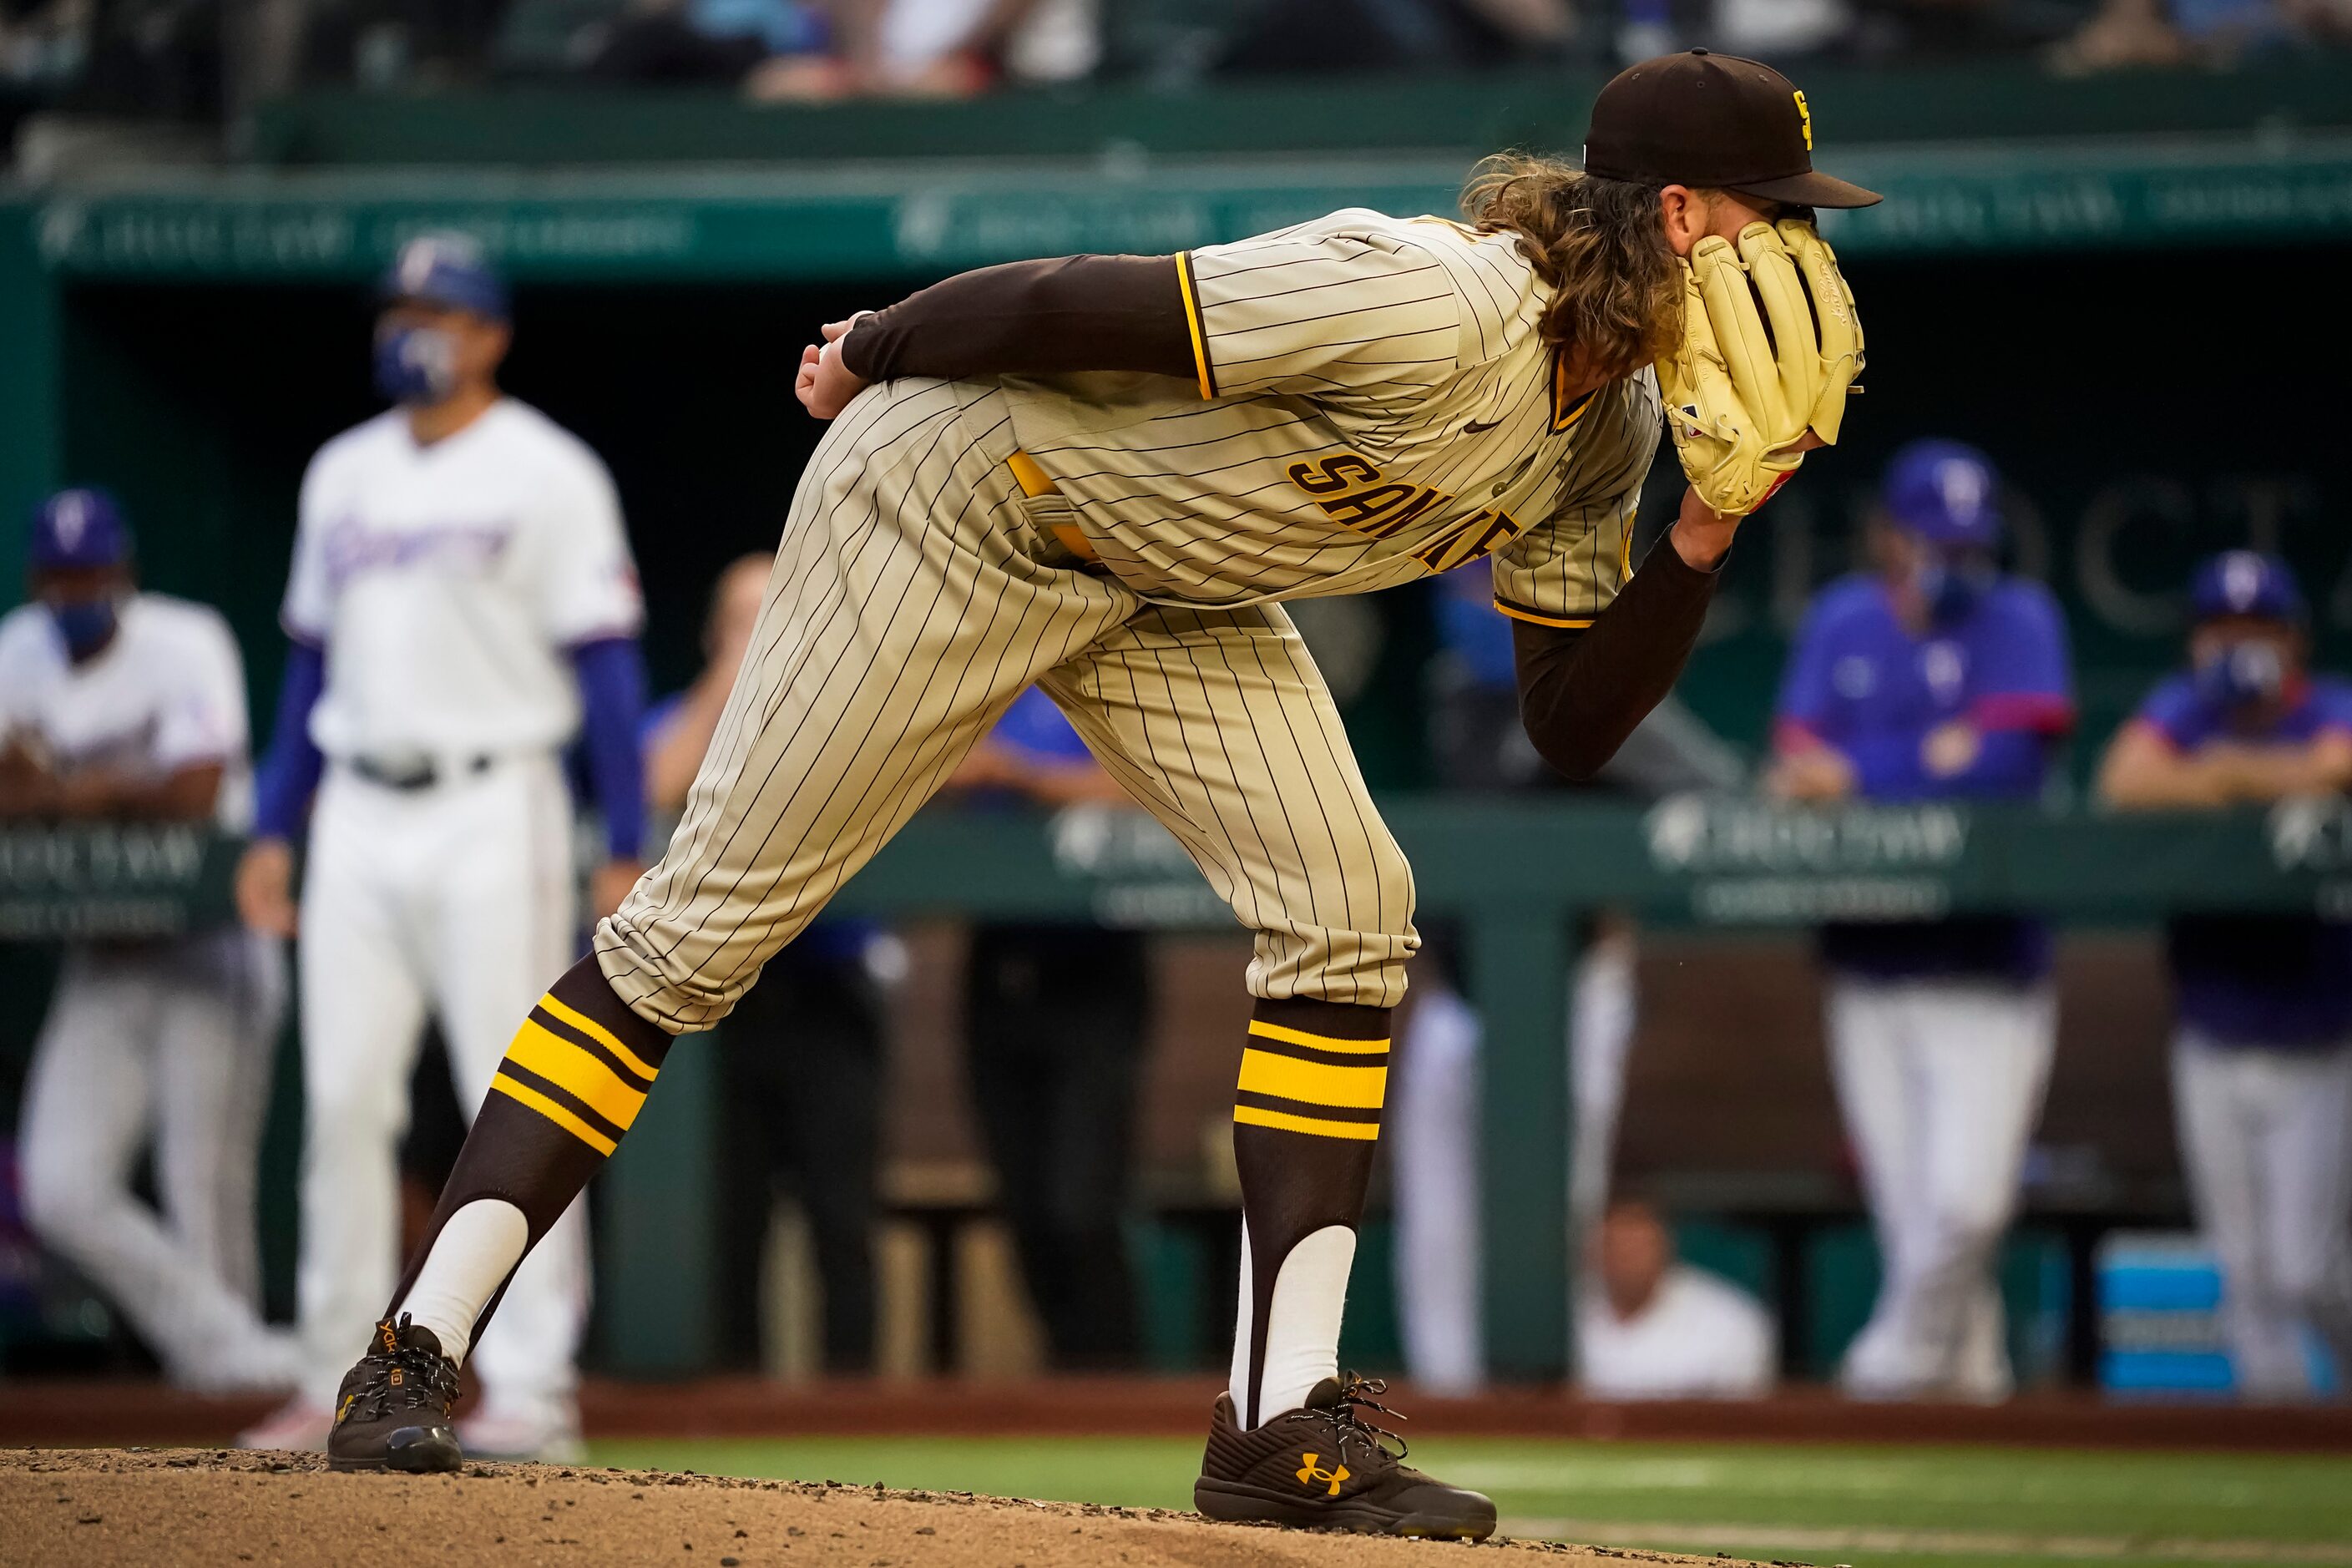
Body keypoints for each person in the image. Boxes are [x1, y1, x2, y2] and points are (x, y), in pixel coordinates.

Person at [329, 50, 1873, 1536]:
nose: (1798, 251)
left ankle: (1278, 1425)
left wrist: (1703, 538)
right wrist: (871, 347)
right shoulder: (1435, 298)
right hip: (961, 496)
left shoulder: (1604, 433)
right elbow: (1087, 300)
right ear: (1676, 214)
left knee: (1355, 909)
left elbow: (1570, 725)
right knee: (698, 935)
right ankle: (412, 1348)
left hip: (1166, 583)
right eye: (1776, 212)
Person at [234, 233, 649, 1460]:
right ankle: (331, 1372)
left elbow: (608, 664)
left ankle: (527, 1384)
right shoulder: (342, 473)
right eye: (401, 308)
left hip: (496, 794)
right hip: (357, 801)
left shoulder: (548, 470)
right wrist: (274, 822)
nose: (415, 330)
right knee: (344, 1099)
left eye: (441, 311)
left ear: (490, 335)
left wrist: (618, 836)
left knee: (512, 1087)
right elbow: (310, 659)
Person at [1766, 438, 2074, 1402]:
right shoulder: (1843, 620)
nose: (1953, 560)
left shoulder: (2021, 616)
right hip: (1867, 969)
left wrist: (1865, 773)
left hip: (1990, 972)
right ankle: (1974, 1393)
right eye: (1933, 539)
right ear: (1887, 536)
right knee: (1913, 1226)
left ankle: (1881, 1376)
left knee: (1966, 1210)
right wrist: (1929, 756)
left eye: (1967, 541)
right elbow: (1794, 767)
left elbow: (2013, 769)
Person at [1391, 555, 1744, 1393]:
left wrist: (1618, 890)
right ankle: (1448, 1399)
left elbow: (1716, 789)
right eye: (1460, 588)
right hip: (1455, 991)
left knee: (1555, 1210)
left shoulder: (1590, 677)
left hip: (1569, 983)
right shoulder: (1450, 689)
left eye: (1487, 588)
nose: (1470, 606)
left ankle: (1549, 1394)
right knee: (1437, 1223)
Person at [0, 489, 293, 1391]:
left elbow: (196, 792)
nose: (79, 589)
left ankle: (235, 1389)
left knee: (199, 1183)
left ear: (122, 571)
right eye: (64, 573)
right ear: (41, 577)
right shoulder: (17, 649)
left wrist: (65, 787)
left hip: (210, 949)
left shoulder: (184, 638)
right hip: (104, 956)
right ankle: (232, 1354)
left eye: (95, 571)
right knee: (58, 1185)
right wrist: (115, 780)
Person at [2097, 551, 2352, 1400]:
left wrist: (2227, 777)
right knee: (2245, 1274)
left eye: (2257, 630)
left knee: (2306, 1272)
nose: (2238, 647)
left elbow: (2337, 764)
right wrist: (2248, 774)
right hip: (2211, 1028)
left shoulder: (2328, 705)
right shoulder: (2186, 708)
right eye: (2221, 630)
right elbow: (2123, 782)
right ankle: (2280, 1443)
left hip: (2319, 1034)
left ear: (2294, 639)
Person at [645, 553, 884, 1375]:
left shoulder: (853, 701)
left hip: (828, 990)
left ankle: (856, 1413)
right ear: (714, 633)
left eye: (781, 609)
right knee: (728, 1214)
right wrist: (734, 675)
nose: (765, 629)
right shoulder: (684, 712)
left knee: (841, 1215)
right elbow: (658, 781)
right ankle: (726, 1404)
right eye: (745, 616)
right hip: (718, 999)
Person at [951, 685, 1152, 1370]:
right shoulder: (983, 684)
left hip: (1094, 968)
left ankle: (1116, 1387)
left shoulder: (1109, 680)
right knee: (1027, 1211)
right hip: (998, 968)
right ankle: (1068, 1380)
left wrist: (1022, 776)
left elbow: (1152, 789)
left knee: (1081, 1207)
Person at [1576, 1196, 1773, 1399]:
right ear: (1591, 1252)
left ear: (1666, 1247)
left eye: (1639, 1246)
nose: (1627, 1258)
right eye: (1614, 1246)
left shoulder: (1732, 1320)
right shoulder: (1562, 1315)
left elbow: (1743, 1417)